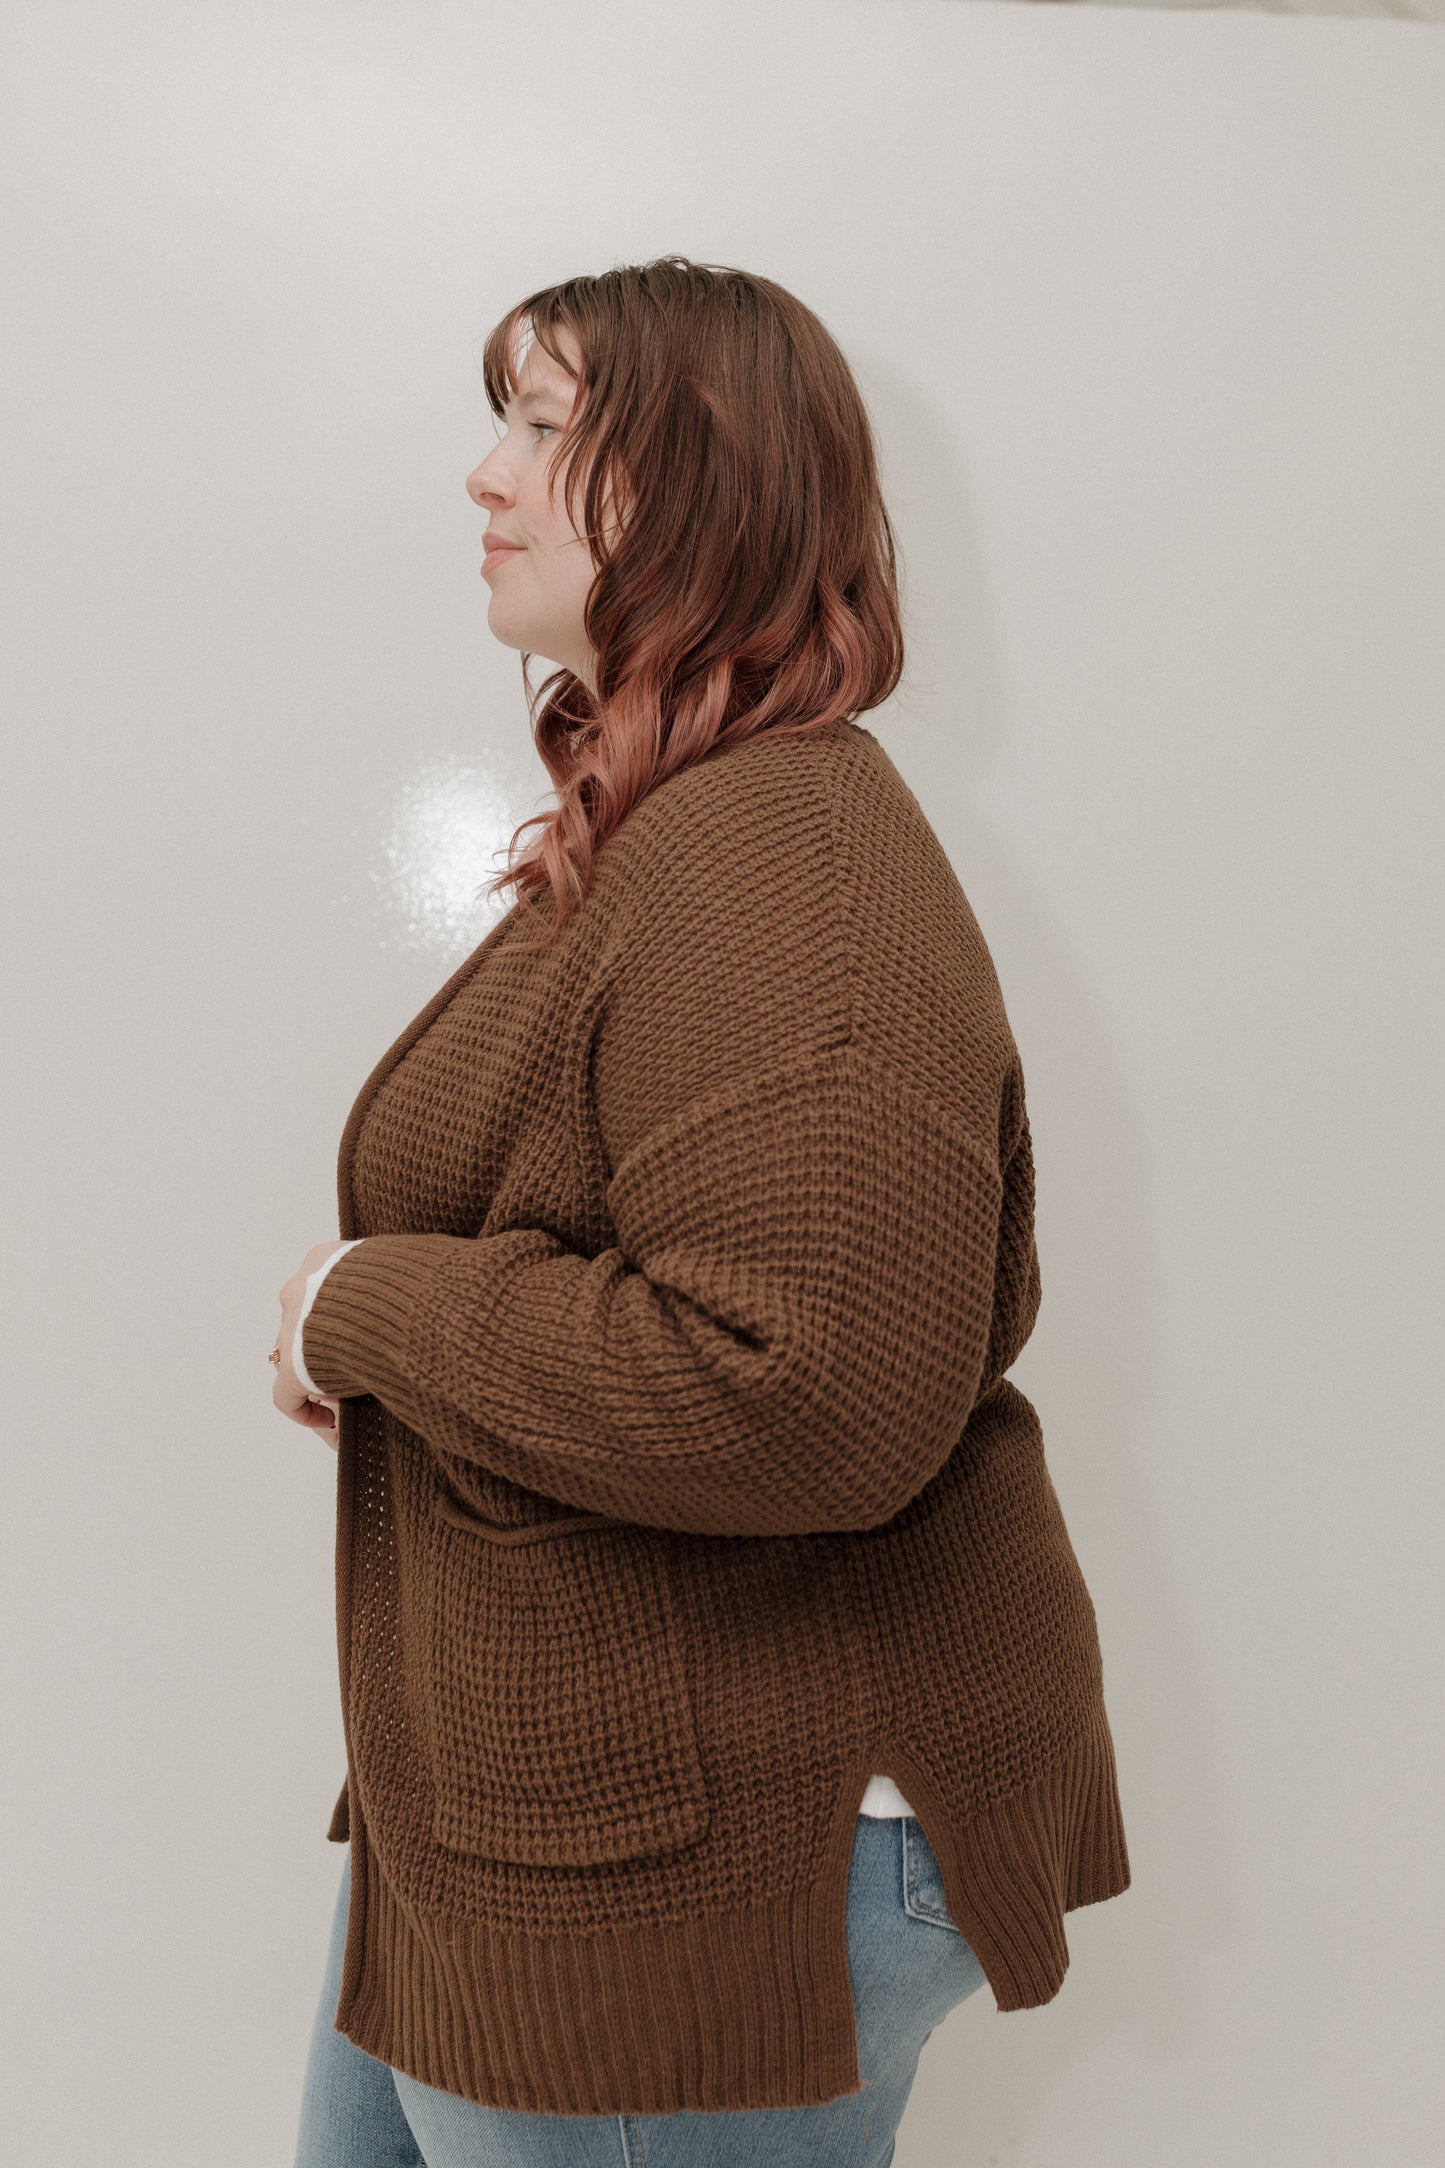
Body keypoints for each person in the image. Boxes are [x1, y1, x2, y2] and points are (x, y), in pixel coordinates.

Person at [274, 255, 1131, 2166]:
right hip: (543, 1819)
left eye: (546, 426)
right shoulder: (667, 826)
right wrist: (409, 1342)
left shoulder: (776, 849)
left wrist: (371, 1310)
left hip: (714, 1859)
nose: (484, 478)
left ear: (704, 484)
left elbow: (804, 1389)